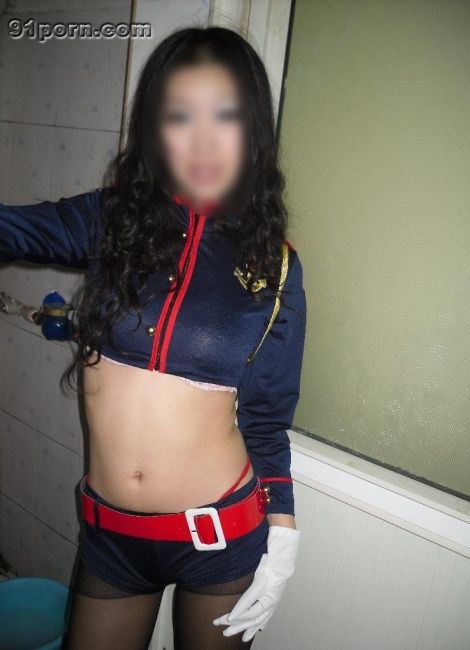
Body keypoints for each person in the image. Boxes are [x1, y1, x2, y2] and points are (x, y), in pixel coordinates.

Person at [0, 26, 306, 650]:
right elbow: (14, 229)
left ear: (252, 128)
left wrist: (283, 535)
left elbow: (268, 417)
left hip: (219, 538)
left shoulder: (274, 263)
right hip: (111, 539)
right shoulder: (111, 219)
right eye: (180, 115)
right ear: (156, 128)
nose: (202, 139)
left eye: (225, 115)